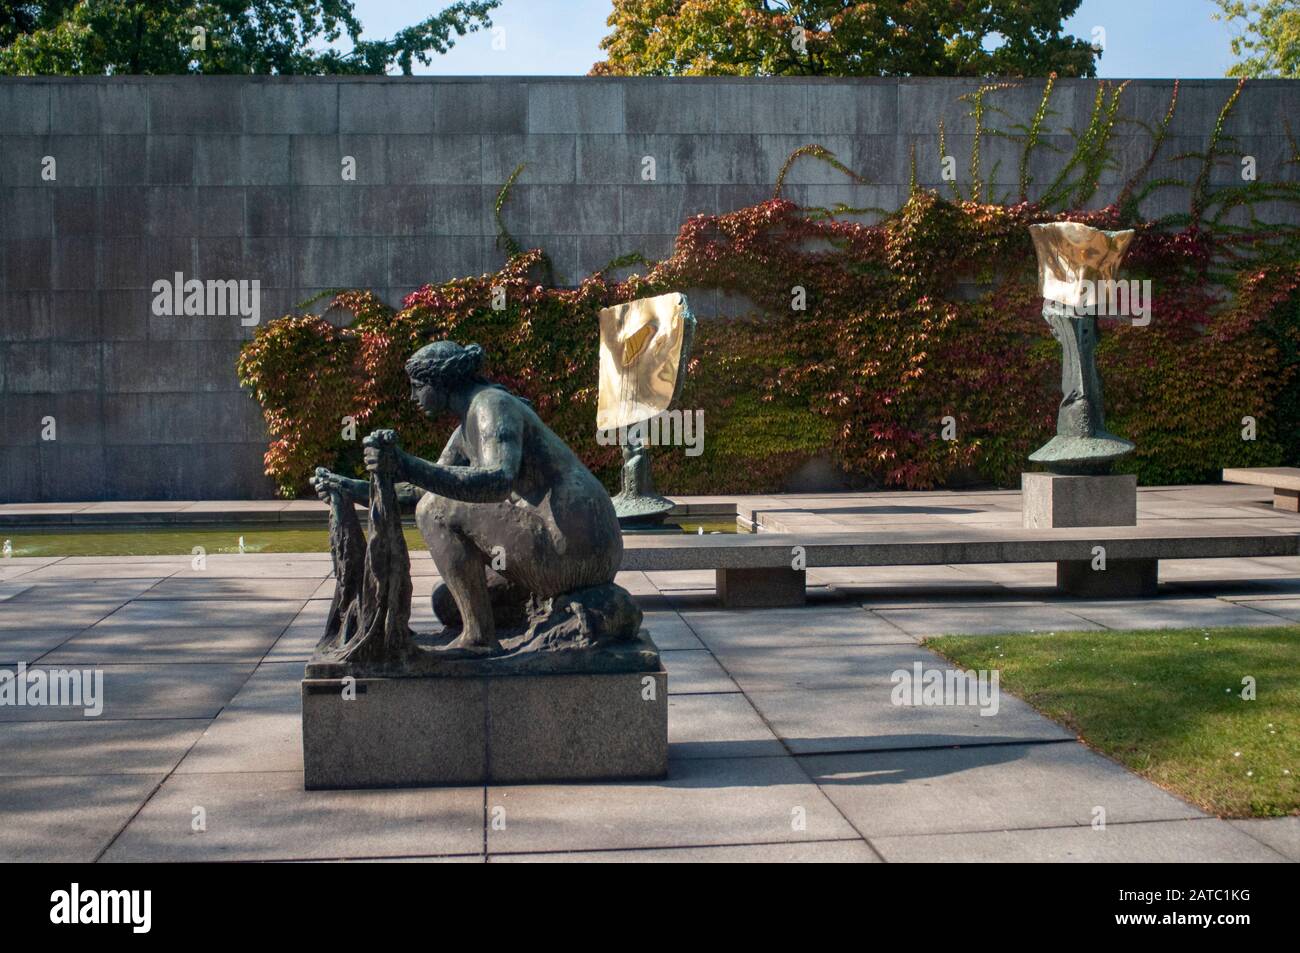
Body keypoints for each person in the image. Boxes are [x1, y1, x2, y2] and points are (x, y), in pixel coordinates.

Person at [312, 341, 623, 652]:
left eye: (418, 386)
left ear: (443, 382)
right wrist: (350, 488)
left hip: (575, 547)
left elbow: (497, 481)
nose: (412, 397)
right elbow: (420, 488)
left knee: (432, 510)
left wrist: (406, 464)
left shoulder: (491, 406)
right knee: (446, 603)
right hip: (568, 545)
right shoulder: (465, 429)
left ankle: (478, 638)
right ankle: (513, 621)